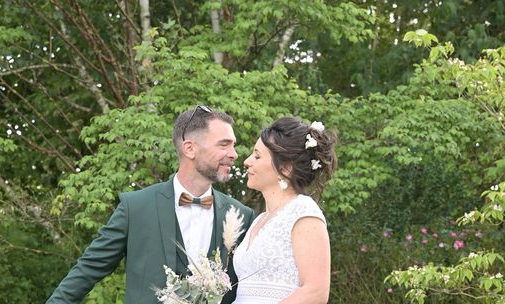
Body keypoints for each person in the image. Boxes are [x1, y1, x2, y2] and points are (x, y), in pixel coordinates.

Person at [46, 106, 255, 304]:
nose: (234, 154)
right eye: (224, 144)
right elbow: (88, 270)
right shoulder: (135, 207)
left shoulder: (242, 215)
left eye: (233, 145)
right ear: (190, 148)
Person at [232, 116, 337, 304]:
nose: (247, 161)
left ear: (286, 168)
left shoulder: (303, 212)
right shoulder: (260, 220)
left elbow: (316, 292)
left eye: (257, 156)